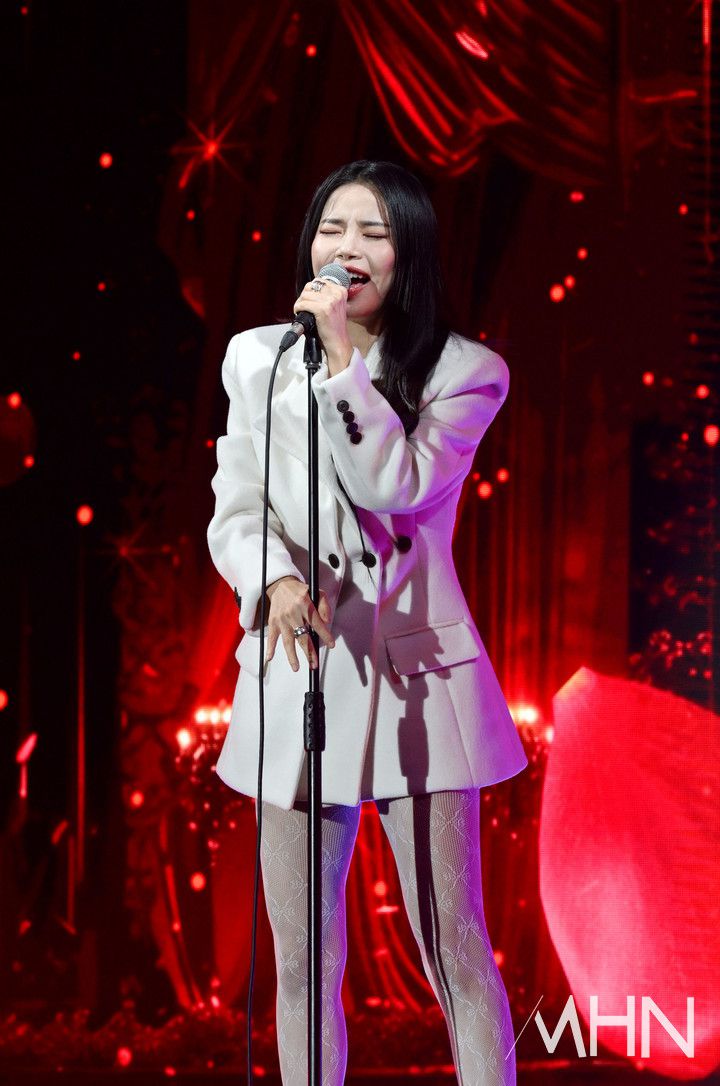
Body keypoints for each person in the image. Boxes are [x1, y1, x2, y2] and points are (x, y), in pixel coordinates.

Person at [207, 160, 528, 1085]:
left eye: (374, 233)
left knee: (453, 949)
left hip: (415, 680)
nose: (347, 249)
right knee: (302, 962)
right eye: (332, 228)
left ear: (409, 251)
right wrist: (272, 582)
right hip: (299, 673)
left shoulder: (466, 373)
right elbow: (237, 506)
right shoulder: (257, 358)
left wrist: (345, 364)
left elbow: (397, 485)